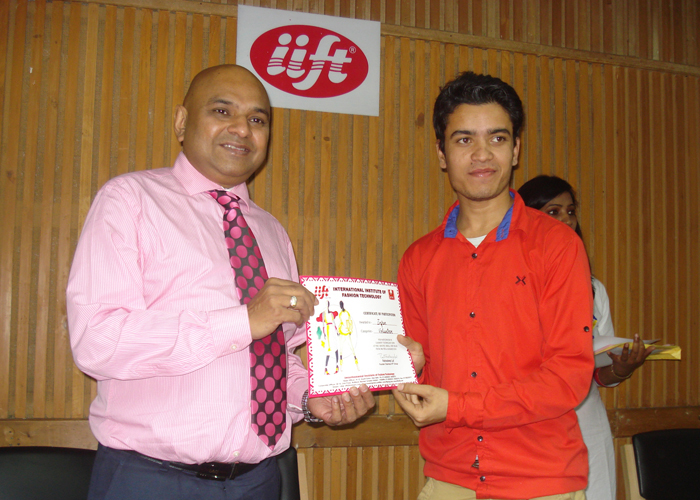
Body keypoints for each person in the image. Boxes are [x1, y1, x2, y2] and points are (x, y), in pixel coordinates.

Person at [66, 64, 375, 500]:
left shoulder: (271, 231)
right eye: (222, 111)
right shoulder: (129, 201)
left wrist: (309, 398)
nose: (242, 129)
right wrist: (242, 321)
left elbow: (276, 356)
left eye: (257, 119)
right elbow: (97, 341)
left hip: (258, 481)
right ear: (181, 122)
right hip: (149, 480)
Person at [392, 71, 595, 500]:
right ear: (442, 153)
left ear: (516, 149)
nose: (481, 154)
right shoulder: (418, 259)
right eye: (464, 139)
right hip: (449, 479)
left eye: (497, 138)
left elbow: (569, 376)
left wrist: (459, 407)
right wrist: (407, 367)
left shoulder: (558, 246)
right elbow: (419, 370)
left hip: (541, 481)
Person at [518, 174, 653, 500]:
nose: (567, 220)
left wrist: (621, 368)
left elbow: (597, 372)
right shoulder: (509, 284)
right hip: (527, 422)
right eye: (553, 212)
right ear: (527, 218)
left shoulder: (593, 288)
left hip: (586, 422)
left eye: (570, 211)